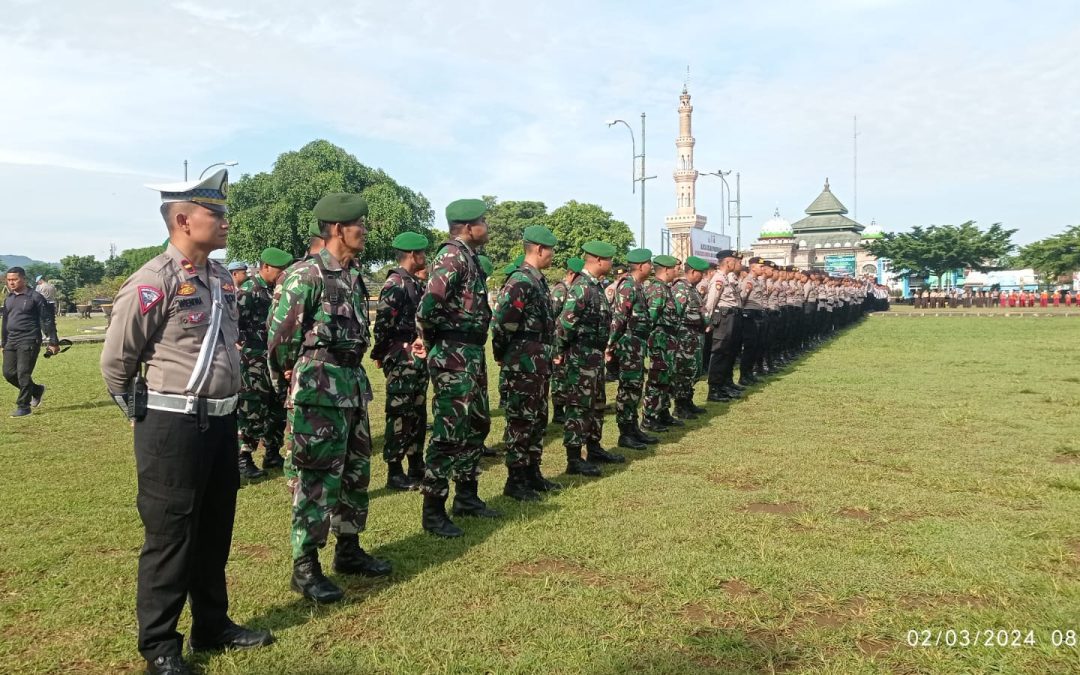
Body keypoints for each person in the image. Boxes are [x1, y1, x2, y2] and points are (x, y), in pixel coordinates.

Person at [100, 170, 272, 674]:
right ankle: (159, 647)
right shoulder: (154, 281)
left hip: (221, 422)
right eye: (215, 213)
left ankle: (212, 625)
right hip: (171, 425)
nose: (225, 221)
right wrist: (140, 414)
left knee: (215, 529)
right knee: (171, 536)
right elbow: (116, 363)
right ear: (182, 219)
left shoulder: (219, 278)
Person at [267, 193, 392, 604]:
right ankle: (305, 567)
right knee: (317, 477)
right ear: (338, 228)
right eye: (361, 225)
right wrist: (292, 378)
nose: (366, 232)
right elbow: (280, 340)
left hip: (352, 388)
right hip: (318, 393)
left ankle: (349, 550)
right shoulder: (305, 276)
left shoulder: (353, 276)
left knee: (355, 474)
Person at [415, 198, 496, 538]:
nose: (486, 228)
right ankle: (433, 510)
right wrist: (433, 340)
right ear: (467, 227)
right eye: (483, 222)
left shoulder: (469, 257)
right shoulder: (451, 256)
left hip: (471, 352)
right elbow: (428, 305)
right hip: (453, 353)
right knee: (449, 431)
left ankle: (467, 496)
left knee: (476, 423)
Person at [492, 226, 562, 500]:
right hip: (522, 363)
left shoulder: (537, 280)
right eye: (551, 250)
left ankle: (533, 472)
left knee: (537, 419)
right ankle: (516, 480)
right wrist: (502, 354)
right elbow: (501, 324)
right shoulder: (520, 280)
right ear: (539, 249)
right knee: (521, 421)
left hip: (538, 364)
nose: (552, 255)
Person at [556, 241, 622, 475]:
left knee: (597, 403)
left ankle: (594, 447)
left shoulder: (596, 286)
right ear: (599, 260)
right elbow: (565, 323)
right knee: (578, 405)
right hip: (581, 355)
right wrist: (560, 352)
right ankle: (574, 458)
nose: (612, 263)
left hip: (594, 355)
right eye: (610, 259)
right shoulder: (582, 287)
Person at [371, 231, 430, 492]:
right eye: (422, 253)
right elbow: (383, 324)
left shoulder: (414, 283)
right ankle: (395, 471)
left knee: (416, 412)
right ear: (412, 255)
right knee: (399, 413)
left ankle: (416, 463)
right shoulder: (395, 283)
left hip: (415, 355)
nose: (425, 258)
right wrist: (381, 354)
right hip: (400, 354)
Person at [235, 247, 294, 479]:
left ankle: (272, 451)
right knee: (252, 408)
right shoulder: (249, 291)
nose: (283, 274)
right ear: (265, 267)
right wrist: (241, 346)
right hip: (254, 360)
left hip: (273, 358)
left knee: (277, 406)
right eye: (280, 270)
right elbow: (233, 322)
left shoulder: (278, 290)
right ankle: (244, 457)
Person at [608, 248, 658, 450]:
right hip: (628, 343)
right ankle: (625, 433)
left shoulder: (637, 286)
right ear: (640, 266)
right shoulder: (627, 285)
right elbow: (619, 317)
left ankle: (633, 427)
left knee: (635, 387)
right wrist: (611, 344)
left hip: (637, 343)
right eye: (649, 263)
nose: (651, 267)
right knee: (628, 388)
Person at [3, 267, 59, 417]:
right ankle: (36, 390)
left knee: (23, 373)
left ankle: (24, 406)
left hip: (29, 339)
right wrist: (3, 343)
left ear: (23, 279)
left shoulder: (35, 297)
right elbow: (5, 321)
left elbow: (47, 320)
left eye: (14, 279)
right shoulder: (9, 298)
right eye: (9, 280)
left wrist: (53, 341)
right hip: (11, 340)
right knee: (8, 373)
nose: (11, 283)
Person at [641, 255, 682, 432]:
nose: (677, 271)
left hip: (668, 340)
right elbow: (651, 318)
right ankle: (649, 417)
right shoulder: (657, 289)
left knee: (667, 378)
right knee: (657, 379)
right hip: (660, 340)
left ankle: (663, 412)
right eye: (675, 268)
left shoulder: (666, 288)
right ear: (666, 269)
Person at [671, 256, 709, 419]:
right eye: (701, 273)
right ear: (693, 272)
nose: (703, 276)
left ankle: (688, 401)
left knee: (693, 370)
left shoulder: (692, 289)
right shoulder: (681, 288)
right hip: (684, 337)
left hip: (694, 337)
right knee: (683, 372)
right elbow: (676, 315)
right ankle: (680, 406)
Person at [704, 250, 745, 402]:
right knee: (719, 353)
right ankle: (714, 389)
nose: (737, 264)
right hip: (722, 318)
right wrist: (707, 321)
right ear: (728, 262)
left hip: (731, 317)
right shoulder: (718, 279)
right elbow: (711, 302)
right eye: (735, 261)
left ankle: (724, 384)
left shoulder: (728, 279)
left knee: (729, 352)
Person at [549, 257, 583, 425]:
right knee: (559, 375)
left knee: (566, 374)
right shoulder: (561, 290)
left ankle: (566, 405)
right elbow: (552, 316)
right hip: (557, 338)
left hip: (567, 338)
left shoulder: (573, 290)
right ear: (571, 274)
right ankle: (558, 411)